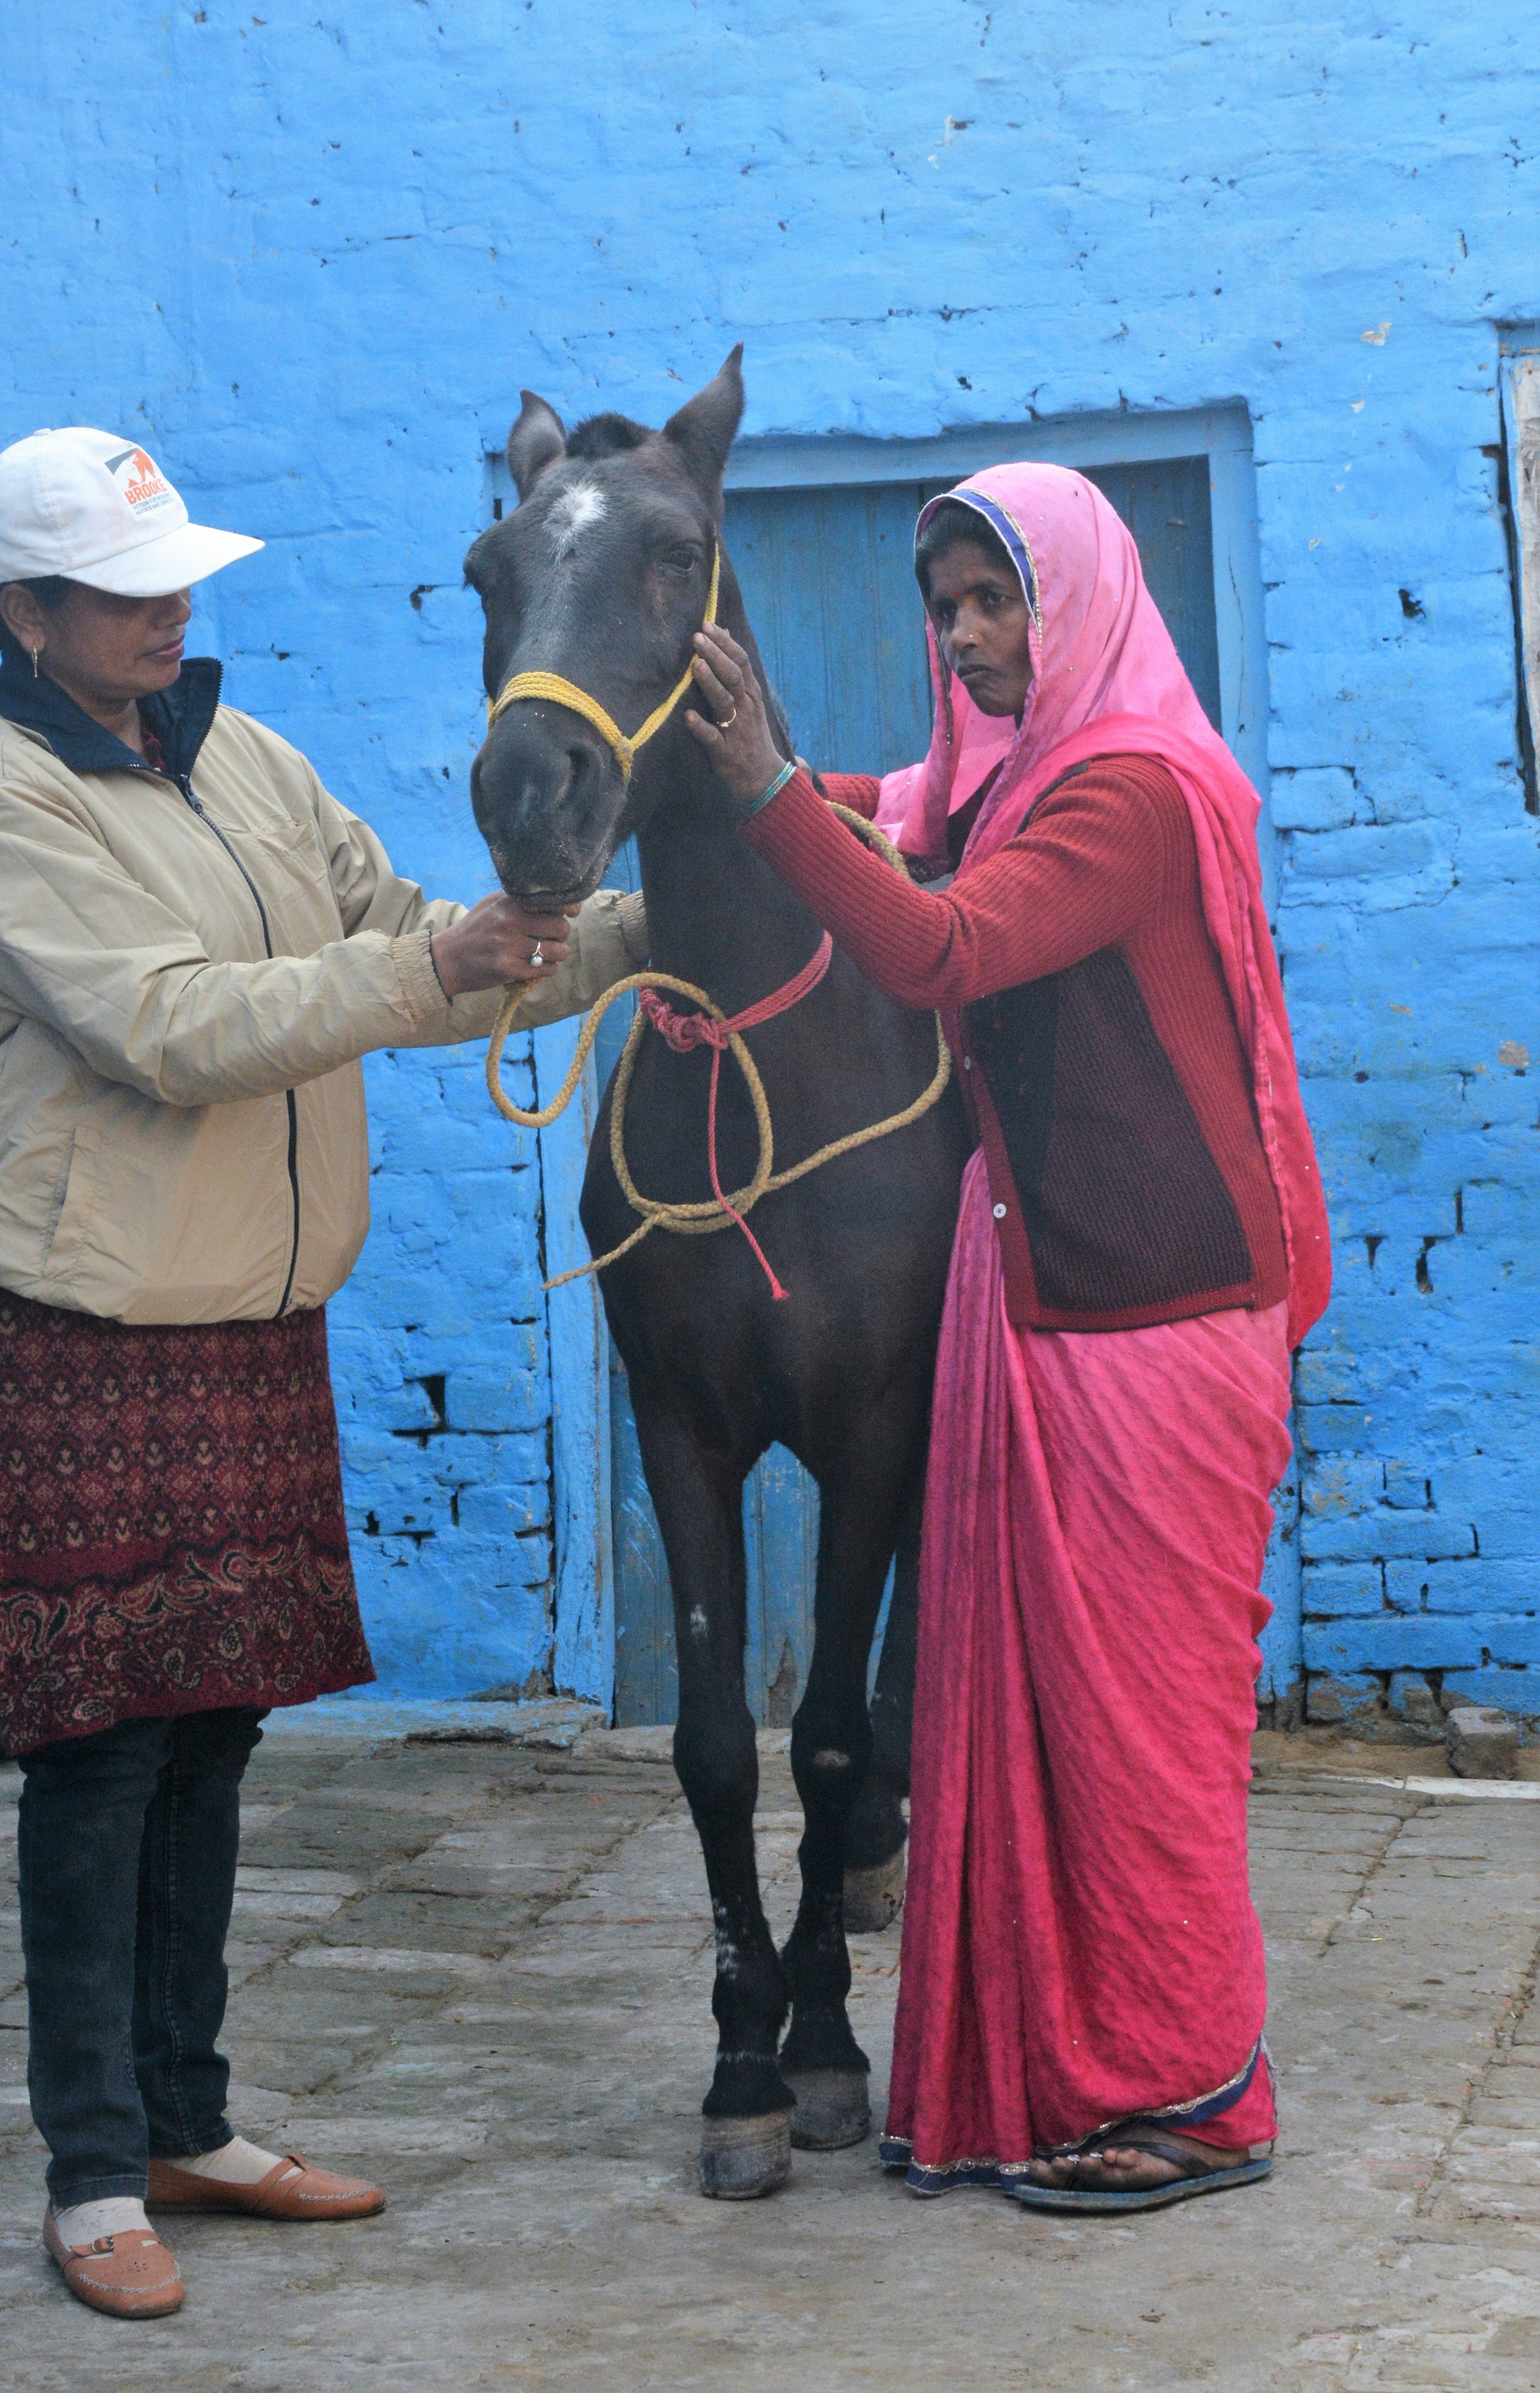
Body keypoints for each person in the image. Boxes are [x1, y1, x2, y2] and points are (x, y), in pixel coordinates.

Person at [0, 427, 650, 2316]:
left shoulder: (243, 756)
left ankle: (191, 2118)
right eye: (122, 587)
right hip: (82, 1322)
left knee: (216, 1720)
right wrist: (442, 966)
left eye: (175, 577)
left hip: (247, 1308)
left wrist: (646, 929)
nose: (168, 610)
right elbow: (166, 1024)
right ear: (21, 611)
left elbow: (406, 936)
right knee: (100, 1755)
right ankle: (92, 2171)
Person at [681, 463, 1330, 2215]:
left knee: (1137, 1744)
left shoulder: (1123, 794)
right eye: (945, 605)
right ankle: (1069, 2076)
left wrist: (758, 798)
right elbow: (876, 806)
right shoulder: (1002, 772)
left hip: (1159, 1321)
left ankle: (1199, 2105)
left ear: (1082, 603)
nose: (964, 638)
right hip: (1049, 1299)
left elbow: (938, 947)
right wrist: (691, 774)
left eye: (996, 601)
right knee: (1041, 1732)